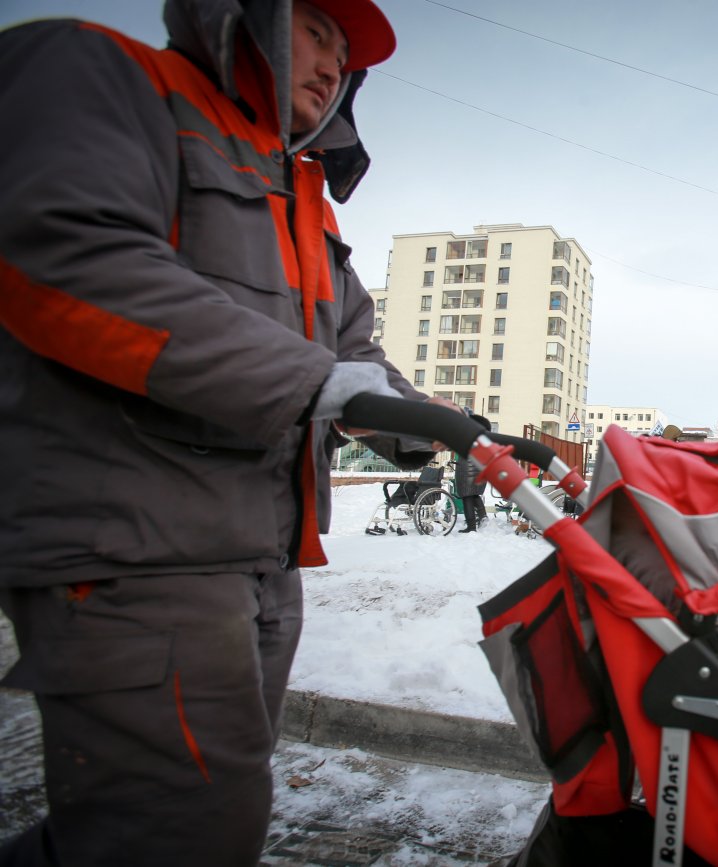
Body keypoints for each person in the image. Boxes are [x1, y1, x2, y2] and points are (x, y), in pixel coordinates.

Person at [0, 2, 437, 864]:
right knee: (182, 831)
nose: (332, 65)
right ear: (247, 16)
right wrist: (313, 381)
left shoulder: (303, 198)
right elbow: (63, 253)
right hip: (133, 543)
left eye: (345, 54)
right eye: (316, 31)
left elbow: (354, 351)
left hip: (263, 560)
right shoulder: (107, 75)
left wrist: (443, 430)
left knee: (169, 822)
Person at [456, 414, 491, 532]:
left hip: (467, 468)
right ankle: (483, 519)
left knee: (467, 497)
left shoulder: (467, 437)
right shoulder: (483, 439)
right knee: (474, 495)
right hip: (480, 468)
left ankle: (471, 526)